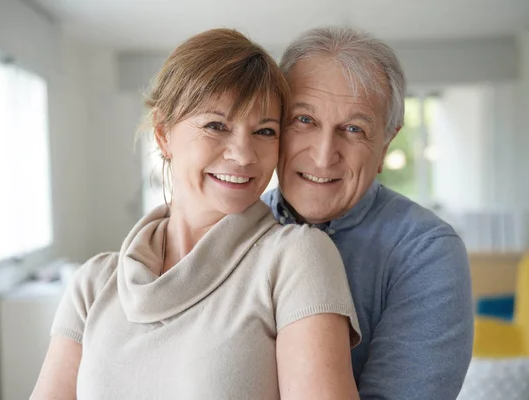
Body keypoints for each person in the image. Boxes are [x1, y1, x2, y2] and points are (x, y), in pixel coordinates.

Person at [31, 28, 361, 400]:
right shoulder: (93, 285)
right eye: (216, 126)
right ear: (163, 134)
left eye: (264, 131)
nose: (243, 154)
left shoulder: (296, 259)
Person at [262, 26, 474, 399]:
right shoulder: (233, 227)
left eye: (354, 128)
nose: (324, 155)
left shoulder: (426, 252)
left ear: (386, 143)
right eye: (304, 120)